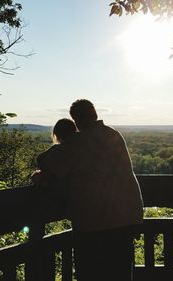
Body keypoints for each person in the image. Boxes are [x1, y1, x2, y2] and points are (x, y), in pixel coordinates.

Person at [36, 99, 144, 281]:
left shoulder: (77, 142)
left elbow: (43, 160)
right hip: (126, 218)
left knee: (91, 273)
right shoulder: (113, 134)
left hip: (94, 224)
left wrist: (41, 176)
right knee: (121, 274)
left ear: (76, 120)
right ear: (94, 113)